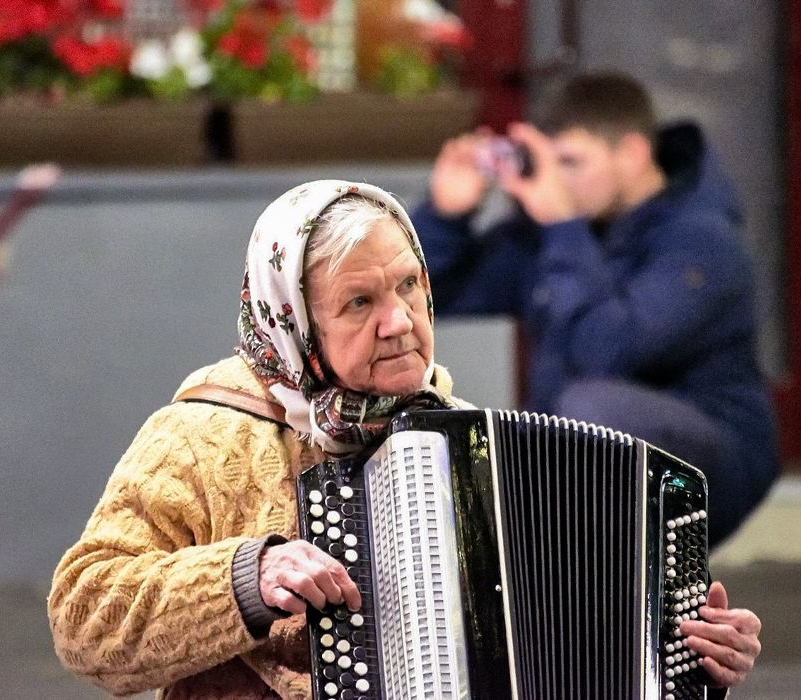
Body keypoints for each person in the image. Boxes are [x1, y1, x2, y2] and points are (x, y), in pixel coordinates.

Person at [48, 180, 761, 698]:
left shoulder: (467, 440)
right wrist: (247, 580)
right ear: (294, 324)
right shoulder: (205, 435)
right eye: (359, 302)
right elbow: (83, 620)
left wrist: (684, 660)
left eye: (409, 287)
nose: (399, 321)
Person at [411, 72, 780, 547]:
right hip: (590, 457)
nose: (558, 181)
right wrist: (447, 214)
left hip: (711, 460)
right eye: (549, 162)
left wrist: (563, 227)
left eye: (572, 161)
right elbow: (429, 299)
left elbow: (606, 350)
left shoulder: (703, 241)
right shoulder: (560, 230)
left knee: (585, 410)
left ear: (631, 153)